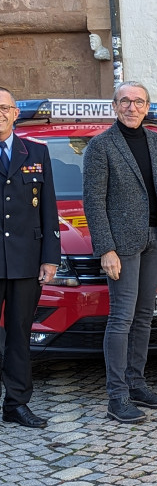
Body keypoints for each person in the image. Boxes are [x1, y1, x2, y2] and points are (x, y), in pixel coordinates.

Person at [83, 81, 157, 424]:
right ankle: (117, 397)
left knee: (143, 317)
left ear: (147, 106)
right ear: (114, 105)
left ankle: (137, 384)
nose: (131, 106)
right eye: (125, 101)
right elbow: (94, 202)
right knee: (121, 318)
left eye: (138, 101)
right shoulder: (101, 146)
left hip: (156, 240)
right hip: (122, 246)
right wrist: (105, 249)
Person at [0, 87, 60, 428]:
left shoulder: (36, 152)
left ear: (15, 113)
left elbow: (48, 211)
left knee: (20, 334)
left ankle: (17, 404)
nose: (1, 112)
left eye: (5, 107)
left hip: (25, 260)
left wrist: (50, 258)